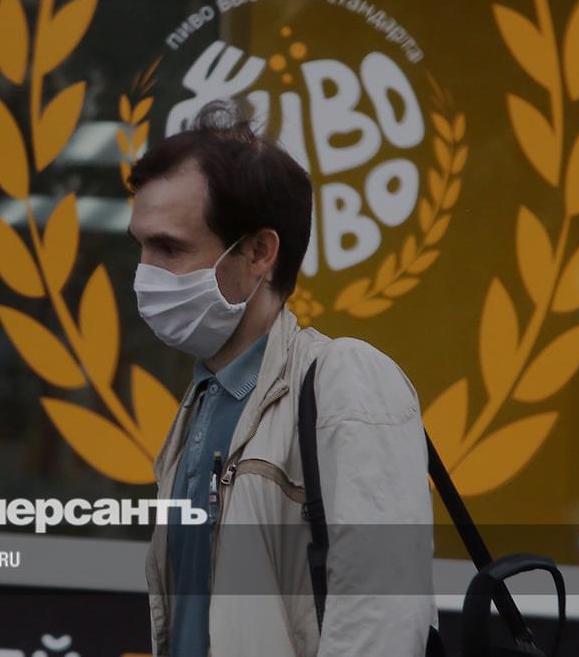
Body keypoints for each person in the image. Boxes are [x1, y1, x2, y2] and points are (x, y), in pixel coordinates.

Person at [127, 100, 436, 656]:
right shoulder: (204, 398)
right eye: (141, 245)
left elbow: (383, 622)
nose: (145, 274)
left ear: (259, 252)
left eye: (169, 247)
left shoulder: (345, 379)